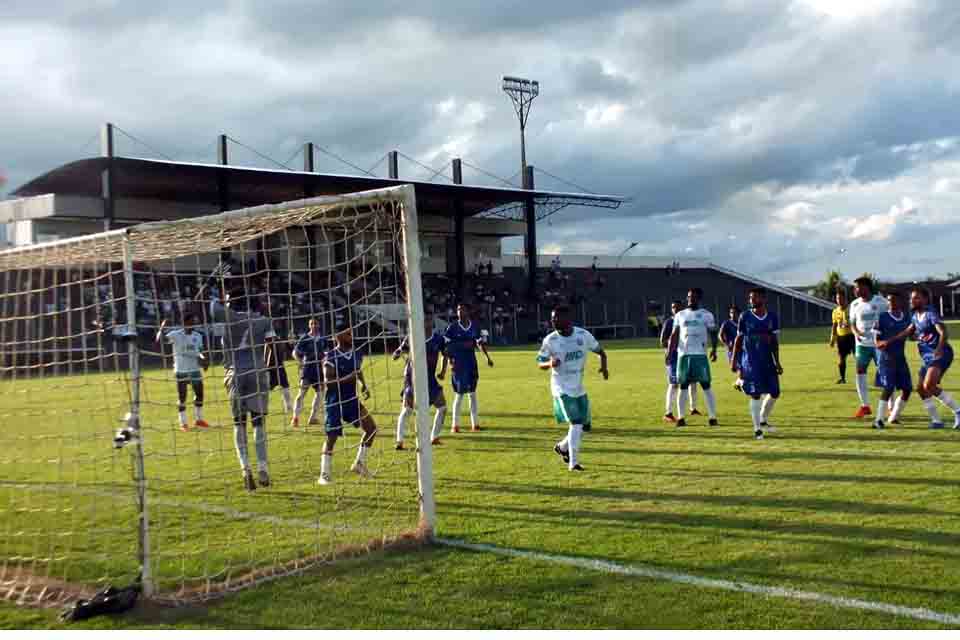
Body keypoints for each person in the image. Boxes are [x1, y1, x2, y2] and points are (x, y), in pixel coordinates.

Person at [206, 279, 276, 491]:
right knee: (259, 423)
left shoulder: (228, 317)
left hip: (234, 373)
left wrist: (214, 287)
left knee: (239, 424)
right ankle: (263, 467)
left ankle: (246, 469)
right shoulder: (264, 320)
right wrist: (268, 370)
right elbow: (273, 347)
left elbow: (212, 307)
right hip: (258, 372)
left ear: (231, 302)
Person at [537, 305, 608, 472]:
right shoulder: (550, 340)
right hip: (561, 388)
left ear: (567, 319)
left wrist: (604, 368)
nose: (553, 320)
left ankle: (562, 447)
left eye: (556, 318)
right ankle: (573, 463)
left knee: (584, 426)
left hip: (578, 387)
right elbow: (539, 362)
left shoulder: (583, 335)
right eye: (552, 318)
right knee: (576, 423)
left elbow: (601, 352)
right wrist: (549, 363)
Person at [879, 286, 959, 429]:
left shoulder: (930, 313)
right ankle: (937, 421)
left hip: (940, 353)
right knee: (921, 389)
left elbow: (943, 332)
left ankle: (958, 411)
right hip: (928, 356)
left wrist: (939, 349)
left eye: (916, 297)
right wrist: (888, 342)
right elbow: (906, 332)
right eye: (911, 298)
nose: (912, 300)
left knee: (929, 385)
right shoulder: (915, 316)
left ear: (925, 299)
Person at [318, 322, 376, 485]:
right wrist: (351, 377)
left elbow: (358, 371)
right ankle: (324, 474)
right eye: (347, 334)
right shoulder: (330, 357)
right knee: (332, 437)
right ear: (338, 336)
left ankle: (359, 463)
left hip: (351, 400)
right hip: (334, 402)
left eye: (351, 333)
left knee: (371, 428)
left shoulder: (357, 353)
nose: (351, 336)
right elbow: (328, 383)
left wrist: (363, 384)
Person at [732, 288, 783, 440]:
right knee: (755, 395)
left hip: (767, 360)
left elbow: (774, 342)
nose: (751, 300)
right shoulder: (745, 316)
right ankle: (757, 429)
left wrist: (778, 361)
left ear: (763, 299)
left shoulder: (772, 317)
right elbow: (738, 340)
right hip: (751, 362)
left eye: (754, 297)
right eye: (750, 298)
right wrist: (735, 361)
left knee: (775, 392)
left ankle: (763, 420)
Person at [393, 314, 447, 449]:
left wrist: (443, 371)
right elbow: (400, 350)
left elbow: (446, 354)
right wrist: (397, 353)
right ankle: (399, 441)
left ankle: (434, 437)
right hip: (412, 378)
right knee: (407, 409)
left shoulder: (438, 339)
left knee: (442, 407)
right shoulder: (413, 337)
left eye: (428, 319)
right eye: (424, 320)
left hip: (430, 379)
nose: (426, 322)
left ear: (432, 321)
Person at [439, 302, 494, 433]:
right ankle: (455, 425)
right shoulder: (452, 328)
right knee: (459, 394)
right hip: (458, 365)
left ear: (468, 312)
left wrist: (487, 358)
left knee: (473, 393)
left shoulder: (474, 326)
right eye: (458, 309)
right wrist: (444, 368)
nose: (459, 312)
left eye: (462, 309)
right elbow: (445, 348)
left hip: (471, 363)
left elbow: (479, 343)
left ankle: (475, 424)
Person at [668, 288, 719, 427]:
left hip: (700, 356)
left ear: (699, 299)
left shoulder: (707, 315)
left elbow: (713, 333)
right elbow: (674, 335)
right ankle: (681, 418)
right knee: (683, 386)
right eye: (689, 297)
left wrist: (714, 349)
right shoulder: (680, 315)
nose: (690, 299)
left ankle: (713, 418)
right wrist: (669, 351)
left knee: (706, 386)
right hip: (683, 355)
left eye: (693, 297)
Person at [155, 314, 209, 431]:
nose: (193, 325)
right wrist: (162, 328)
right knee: (182, 397)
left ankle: (199, 420)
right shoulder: (176, 335)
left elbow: (200, 351)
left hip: (195, 370)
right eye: (190, 322)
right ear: (184, 323)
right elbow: (159, 341)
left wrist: (204, 359)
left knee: (200, 394)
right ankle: (183, 423)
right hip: (181, 370)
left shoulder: (198, 335)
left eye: (194, 322)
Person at [849, 277, 889, 418]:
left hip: (879, 345)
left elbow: (890, 319)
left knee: (885, 373)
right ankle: (865, 406)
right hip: (862, 345)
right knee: (860, 371)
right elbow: (852, 323)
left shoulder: (881, 302)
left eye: (857, 287)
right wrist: (856, 333)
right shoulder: (854, 304)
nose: (855, 290)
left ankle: (890, 407)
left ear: (866, 287)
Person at [872, 292, 912, 429]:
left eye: (894, 300)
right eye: (889, 301)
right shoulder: (882, 318)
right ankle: (878, 420)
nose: (891, 303)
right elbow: (876, 341)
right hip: (886, 359)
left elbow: (912, 335)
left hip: (900, 358)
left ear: (900, 302)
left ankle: (893, 417)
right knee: (888, 388)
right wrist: (880, 343)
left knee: (907, 389)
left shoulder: (907, 318)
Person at [290, 318, 326, 427]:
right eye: (311, 324)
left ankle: (313, 417)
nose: (314, 325)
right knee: (301, 393)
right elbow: (294, 352)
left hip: (319, 370)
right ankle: (295, 417)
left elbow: (326, 352)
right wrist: (300, 362)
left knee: (320, 394)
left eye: (315, 323)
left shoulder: (322, 338)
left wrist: (325, 360)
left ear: (318, 325)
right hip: (308, 370)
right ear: (309, 325)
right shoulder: (305, 338)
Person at [830, 289, 855, 385]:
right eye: (837, 298)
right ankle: (842, 378)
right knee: (841, 359)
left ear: (845, 299)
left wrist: (849, 325)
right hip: (841, 338)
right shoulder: (835, 311)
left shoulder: (851, 309)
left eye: (841, 298)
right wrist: (832, 338)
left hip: (852, 336)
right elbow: (834, 325)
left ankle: (860, 376)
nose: (839, 300)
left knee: (858, 358)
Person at [265, 332, 293, 415]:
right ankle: (262, 408)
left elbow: (289, 348)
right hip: (271, 368)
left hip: (280, 367)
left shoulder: (280, 339)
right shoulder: (269, 340)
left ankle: (288, 407)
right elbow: (267, 351)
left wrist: (291, 342)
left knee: (285, 387)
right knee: (266, 389)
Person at [719, 305, 742, 391]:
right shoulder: (727, 323)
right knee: (739, 367)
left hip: (743, 349)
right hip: (732, 350)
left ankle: (738, 383)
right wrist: (726, 344)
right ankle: (739, 383)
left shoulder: (742, 322)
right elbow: (720, 335)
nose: (733, 314)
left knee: (743, 367)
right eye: (731, 312)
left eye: (735, 313)